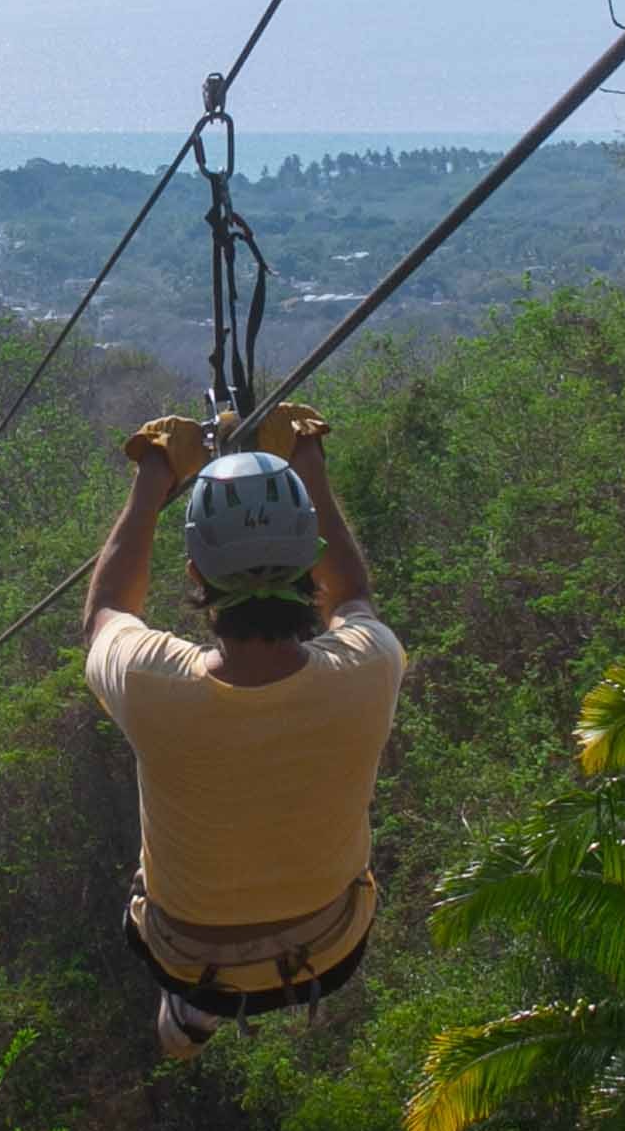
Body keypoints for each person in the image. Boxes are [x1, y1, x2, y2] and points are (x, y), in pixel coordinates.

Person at [81, 403, 404, 1057]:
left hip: (184, 954)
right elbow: (353, 599)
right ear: (310, 567)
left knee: (188, 906)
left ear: (197, 573)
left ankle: (197, 1007)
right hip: (329, 949)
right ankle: (202, 1004)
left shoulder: (156, 685)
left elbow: (108, 612)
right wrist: (307, 460)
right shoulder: (370, 667)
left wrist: (154, 473)